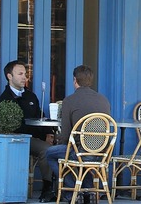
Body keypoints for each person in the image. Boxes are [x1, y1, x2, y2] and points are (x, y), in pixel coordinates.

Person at [45, 65, 111, 203]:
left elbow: (66, 134)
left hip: (80, 151)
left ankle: (71, 194)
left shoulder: (69, 100)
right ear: (90, 81)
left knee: (51, 153)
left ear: (75, 80)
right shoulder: (103, 100)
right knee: (81, 162)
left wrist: (59, 143)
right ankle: (87, 192)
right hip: (102, 153)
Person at [0, 60, 55, 202]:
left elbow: (40, 116)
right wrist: (41, 135)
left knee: (59, 147)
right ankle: (48, 189)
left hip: (34, 138)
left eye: (26, 74)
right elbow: (15, 127)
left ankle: (61, 188)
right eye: (20, 74)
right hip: (16, 139)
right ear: (9, 76)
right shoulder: (5, 100)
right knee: (46, 150)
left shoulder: (31, 96)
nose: (25, 77)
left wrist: (49, 132)